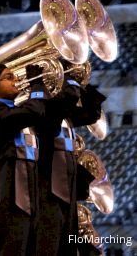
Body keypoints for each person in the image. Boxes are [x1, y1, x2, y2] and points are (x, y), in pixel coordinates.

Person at [33, 61, 106, 256]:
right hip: (49, 176)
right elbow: (66, 98)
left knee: (68, 229)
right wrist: (69, 80)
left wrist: (83, 83)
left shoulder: (64, 112)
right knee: (54, 229)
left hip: (67, 174)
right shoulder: (39, 108)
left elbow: (91, 114)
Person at [0, 63, 48, 256]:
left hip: (29, 195)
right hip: (10, 197)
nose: (16, 80)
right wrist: (36, 84)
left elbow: (42, 111)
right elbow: (34, 111)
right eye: (9, 77)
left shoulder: (17, 112)